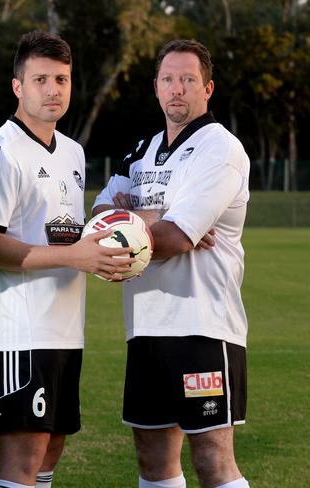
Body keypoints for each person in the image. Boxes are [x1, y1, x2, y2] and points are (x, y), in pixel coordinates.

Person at [0, 31, 134, 488]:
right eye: (40, 78)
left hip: (66, 329)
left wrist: (110, 251)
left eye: (61, 79)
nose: (53, 89)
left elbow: (69, 234)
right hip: (19, 332)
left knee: (52, 447)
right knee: (22, 458)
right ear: (17, 86)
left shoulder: (73, 151)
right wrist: (76, 256)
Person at [92, 39, 251, 488]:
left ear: (208, 88)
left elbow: (178, 238)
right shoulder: (139, 151)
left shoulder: (220, 149)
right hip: (145, 326)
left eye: (188, 79)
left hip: (202, 325)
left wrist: (134, 219)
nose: (177, 88)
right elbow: (98, 221)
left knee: (212, 460)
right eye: (168, 79)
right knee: (153, 457)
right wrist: (155, 218)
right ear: (156, 88)